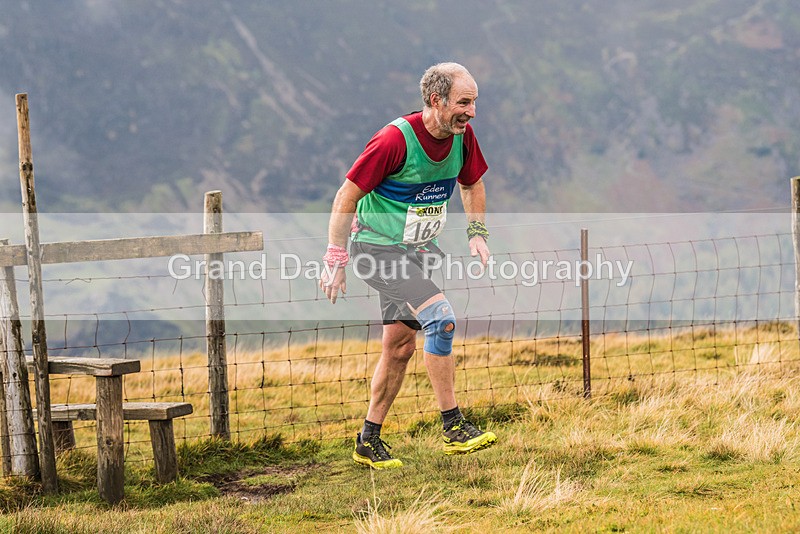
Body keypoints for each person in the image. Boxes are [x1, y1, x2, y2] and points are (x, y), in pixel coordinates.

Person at [320, 62, 497, 469]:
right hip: (375, 251)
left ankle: (368, 439)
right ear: (436, 101)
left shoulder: (462, 137)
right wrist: (336, 257)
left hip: (417, 253)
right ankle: (453, 427)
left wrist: (477, 233)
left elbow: (472, 183)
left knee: (398, 347)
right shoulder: (392, 140)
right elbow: (346, 196)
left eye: (474, 103)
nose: (471, 113)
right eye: (464, 103)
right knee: (442, 319)